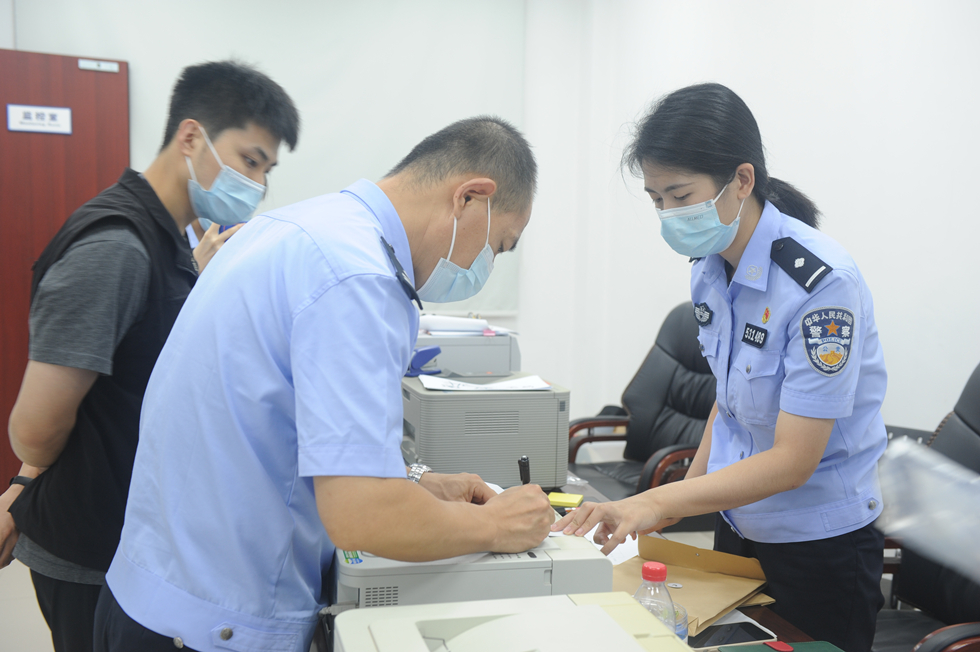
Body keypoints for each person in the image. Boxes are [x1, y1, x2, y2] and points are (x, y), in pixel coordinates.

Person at [93, 116, 553, 652]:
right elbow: (363, 515)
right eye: (499, 245)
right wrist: (496, 526)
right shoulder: (359, 277)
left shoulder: (296, 227)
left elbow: (268, 420)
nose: (485, 265)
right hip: (216, 624)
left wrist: (410, 479)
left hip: (148, 593)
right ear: (470, 197)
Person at [554, 83, 887, 652]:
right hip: (738, 524)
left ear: (742, 180)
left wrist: (654, 501)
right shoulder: (710, 265)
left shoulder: (821, 286)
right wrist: (682, 500)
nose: (669, 214)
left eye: (680, 195)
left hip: (819, 545)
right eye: (656, 199)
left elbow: (794, 459)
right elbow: (729, 403)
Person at [2, 60, 299, 652]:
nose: (257, 185)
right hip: (91, 544)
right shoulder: (116, 246)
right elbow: (35, 429)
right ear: (191, 138)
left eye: (266, 170)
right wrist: (22, 489)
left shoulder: (174, 243)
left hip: (133, 536)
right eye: (249, 161)